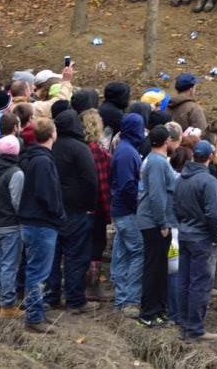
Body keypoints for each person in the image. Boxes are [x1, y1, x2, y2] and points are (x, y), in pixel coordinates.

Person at [47, 109, 99, 314]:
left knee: (52, 256)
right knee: (76, 256)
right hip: (76, 211)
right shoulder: (80, 149)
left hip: (52, 210)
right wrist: (90, 206)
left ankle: (51, 296)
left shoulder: (50, 147)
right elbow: (90, 181)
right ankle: (75, 300)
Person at [19, 118, 66, 334]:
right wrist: (59, 213)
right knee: (38, 272)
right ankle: (34, 316)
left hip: (32, 221)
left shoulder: (32, 158)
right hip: (41, 223)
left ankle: (36, 311)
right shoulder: (43, 161)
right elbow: (47, 193)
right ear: (52, 134)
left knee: (36, 270)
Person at [174, 140, 217, 342]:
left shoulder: (181, 179)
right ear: (210, 157)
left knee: (184, 281)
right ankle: (195, 329)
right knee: (200, 284)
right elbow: (213, 214)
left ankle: (185, 325)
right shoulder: (208, 181)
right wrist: (216, 236)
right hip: (202, 238)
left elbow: (175, 207)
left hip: (185, 234)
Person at [135, 124, 177, 327]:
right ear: (167, 141)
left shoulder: (153, 160)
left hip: (155, 221)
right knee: (154, 267)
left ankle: (158, 309)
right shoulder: (157, 163)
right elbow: (157, 195)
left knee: (160, 268)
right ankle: (148, 313)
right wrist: (162, 223)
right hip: (154, 223)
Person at [0, 135, 24, 319]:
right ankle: (8, 305)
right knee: (9, 266)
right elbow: (17, 202)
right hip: (10, 225)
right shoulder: (16, 173)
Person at [109, 112, 146, 317]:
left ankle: (121, 299)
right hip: (127, 211)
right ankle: (131, 300)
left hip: (122, 209)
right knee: (139, 251)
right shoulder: (127, 153)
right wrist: (138, 206)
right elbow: (127, 186)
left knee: (123, 253)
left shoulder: (125, 149)